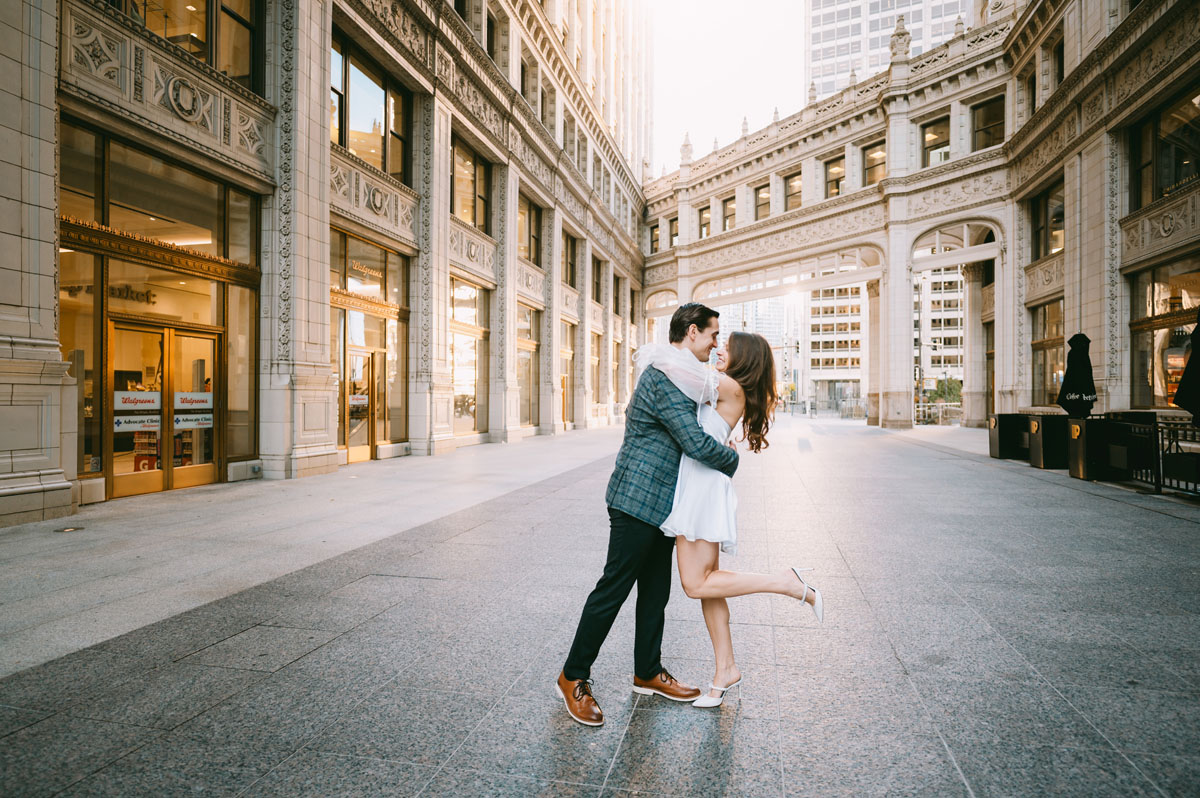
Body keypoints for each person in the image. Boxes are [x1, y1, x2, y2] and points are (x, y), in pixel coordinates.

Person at [557, 303, 740, 727]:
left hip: (664, 505)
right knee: (613, 590)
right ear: (692, 332)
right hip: (636, 500)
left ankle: (647, 672)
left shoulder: (686, 378)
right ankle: (573, 676)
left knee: (656, 593)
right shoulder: (664, 377)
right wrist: (731, 460)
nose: (716, 344)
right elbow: (694, 442)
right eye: (713, 335)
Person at [656, 331, 823, 708]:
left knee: (696, 584)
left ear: (743, 358)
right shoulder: (729, 388)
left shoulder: (728, 386)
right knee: (710, 586)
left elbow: (668, 366)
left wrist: (684, 341)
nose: (718, 348)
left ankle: (785, 582)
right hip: (702, 482)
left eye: (727, 346)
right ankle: (725, 669)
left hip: (701, 486)